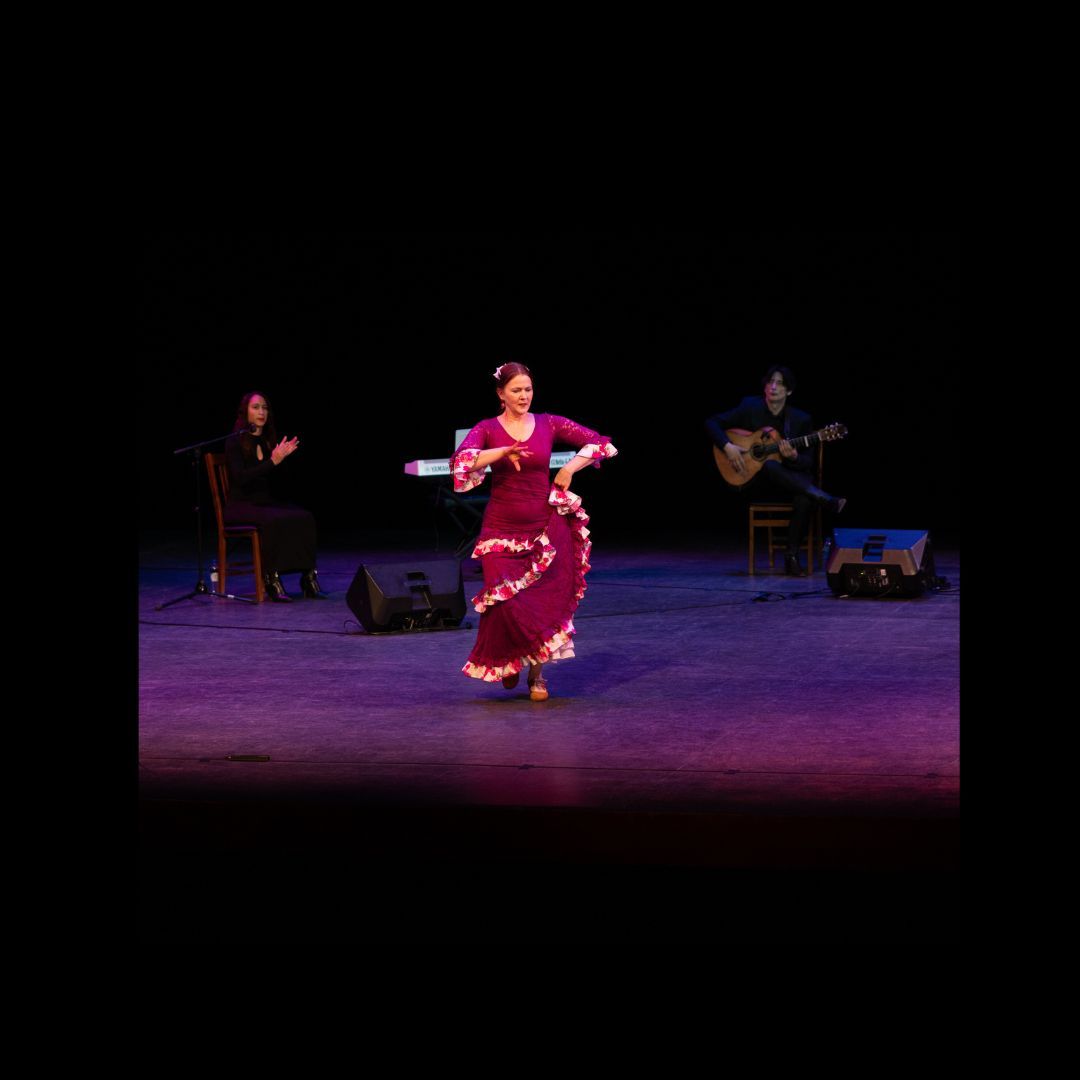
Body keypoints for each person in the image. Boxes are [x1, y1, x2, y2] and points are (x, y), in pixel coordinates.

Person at [450, 363, 618, 700]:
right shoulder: (486, 428)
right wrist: (502, 452)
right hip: (501, 528)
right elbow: (462, 463)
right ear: (501, 394)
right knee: (505, 604)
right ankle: (510, 660)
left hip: (542, 527)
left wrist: (569, 468)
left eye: (528, 389)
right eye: (516, 390)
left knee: (539, 604)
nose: (524, 395)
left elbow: (600, 443)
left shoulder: (548, 423)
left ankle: (536, 677)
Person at [706, 366, 845, 576]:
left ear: (789, 391)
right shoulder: (749, 407)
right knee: (770, 465)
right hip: (759, 484)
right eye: (770, 382)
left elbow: (808, 464)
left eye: (780, 383)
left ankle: (791, 557)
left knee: (803, 499)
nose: (773, 387)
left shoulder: (800, 419)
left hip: (791, 483)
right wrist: (728, 446)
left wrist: (794, 457)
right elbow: (712, 422)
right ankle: (824, 499)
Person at [224, 391, 328, 602]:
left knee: (304, 516)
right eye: (256, 407)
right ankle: (272, 579)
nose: (261, 412)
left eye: (264, 407)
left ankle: (308, 578)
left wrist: (282, 460)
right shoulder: (234, 442)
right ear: (245, 412)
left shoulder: (267, 440)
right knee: (273, 521)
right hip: (241, 504)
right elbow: (241, 478)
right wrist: (273, 462)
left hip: (264, 502)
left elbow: (277, 482)